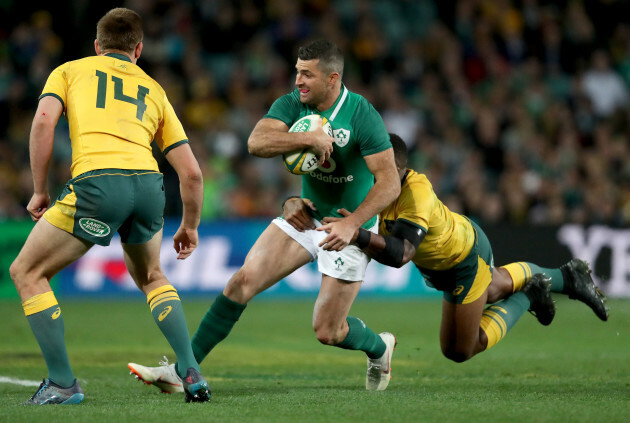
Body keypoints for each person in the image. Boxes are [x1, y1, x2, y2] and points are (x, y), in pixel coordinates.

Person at [128, 39, 401, 393]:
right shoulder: (292, 104)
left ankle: (380, 348)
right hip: (307, 215)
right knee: (240, 282)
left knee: (328, 331)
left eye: (307, 74)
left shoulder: (362, 114)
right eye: (297, 72)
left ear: (333, 79)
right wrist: (307, 140)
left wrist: (353, 224)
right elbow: (256, 142)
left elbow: (389, 183)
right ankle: (183, 371)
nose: (298, 81)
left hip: (350, 226)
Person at [9, 8, 210, 404]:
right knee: (153, 277)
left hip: (99, 183)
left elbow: (44, 122)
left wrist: (39, 191)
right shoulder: (154, 88)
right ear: (138, 49)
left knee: (27, 272)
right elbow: (191, 174)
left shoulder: (69, 71)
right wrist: (191, 225)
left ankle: (62, 384)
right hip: (149, 186)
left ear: (97, 46)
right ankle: (192, 373)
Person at [297, 133, 607, 363]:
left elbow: (401, 254)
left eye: (376, 167)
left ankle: (532, 294)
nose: (369, 173)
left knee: (461, 349)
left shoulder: (415, 193)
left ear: (397, 171)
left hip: (463, 259)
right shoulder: (371, 189)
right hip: (442, 263)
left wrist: (357, 234)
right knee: (495, 287)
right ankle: (562, 278)